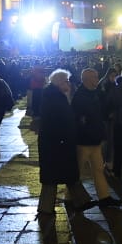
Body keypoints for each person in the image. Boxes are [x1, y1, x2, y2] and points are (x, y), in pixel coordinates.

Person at [35, 68, 92, 216]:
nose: (69, 83)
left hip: (55, 144)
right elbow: (60, 121)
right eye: (66, 81)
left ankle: (79, 201)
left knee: (60, 177)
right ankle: (49, 208)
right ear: (59, 83)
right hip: (57, 144)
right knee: (58, 178)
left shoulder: (54, 95)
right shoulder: (55, 98)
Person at [71, 67, 119, 207]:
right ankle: (71, 197)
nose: (97, 80)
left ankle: (104, 196)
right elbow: (80, 118)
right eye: (95, 77)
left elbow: (103, 109)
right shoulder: (80, 96)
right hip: (84, 141)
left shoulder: (96, 93)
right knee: (77, 171)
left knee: (98, 169)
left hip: (95, 139)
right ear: (87, 80)